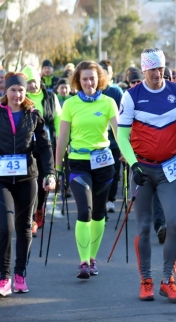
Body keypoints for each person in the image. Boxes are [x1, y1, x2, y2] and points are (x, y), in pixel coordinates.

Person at [118, 48, 176, 303]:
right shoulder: (132, 96)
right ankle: (146, 280)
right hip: (142, 168)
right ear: (144, 70)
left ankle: (167, 280)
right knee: (144, 228)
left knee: (175, 224)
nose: (157, 74)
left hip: (170, 168)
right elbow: (121, 135)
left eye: (161, 69)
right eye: (152, 69)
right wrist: (133, 165)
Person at [55, 61, 119, 279]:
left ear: (99, 79)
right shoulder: (70, 104)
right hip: (79, 162)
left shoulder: (109, 102)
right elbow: (62, 137)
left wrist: (130, 158)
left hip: (103, 162)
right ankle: (83, 262)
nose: (89, 82)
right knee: (85, 211)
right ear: (78, 81)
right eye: (84, 79)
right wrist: (56, 168)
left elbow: (119, 133)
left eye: (92, 78)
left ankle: (92, 257)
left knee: (99, 214)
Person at [0, 72, 55, 296]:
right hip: (2, 180)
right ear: (6, 91)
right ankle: (4, 278)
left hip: (27, 179)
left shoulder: (33, 115)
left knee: (24, 228)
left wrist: (49, 173)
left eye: (21, 90)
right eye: (13, 90)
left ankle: (20, 274)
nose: (17, 94)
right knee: (6, 227)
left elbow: (44, 147)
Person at [22, 64, 61, 237]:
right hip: (26, 147)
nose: (33, 85)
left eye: (35, 81)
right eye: (29, 82)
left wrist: (61, 138)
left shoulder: (50, 97)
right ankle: (30, 219)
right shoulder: (22, 99)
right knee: (31, 181)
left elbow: (59, 118)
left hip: (46, 145)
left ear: (40, 81)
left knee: (43, 180)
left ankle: (39, 208)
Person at [100, 60, 125, 215]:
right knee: (102, 172)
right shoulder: (93, 91)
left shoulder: (116, 92)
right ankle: (101, 200)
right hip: (98, 143)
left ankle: (110, 200)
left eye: (106, 72)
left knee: (114, 172)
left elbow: (123, 114)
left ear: (111, 74)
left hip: (114, 141)